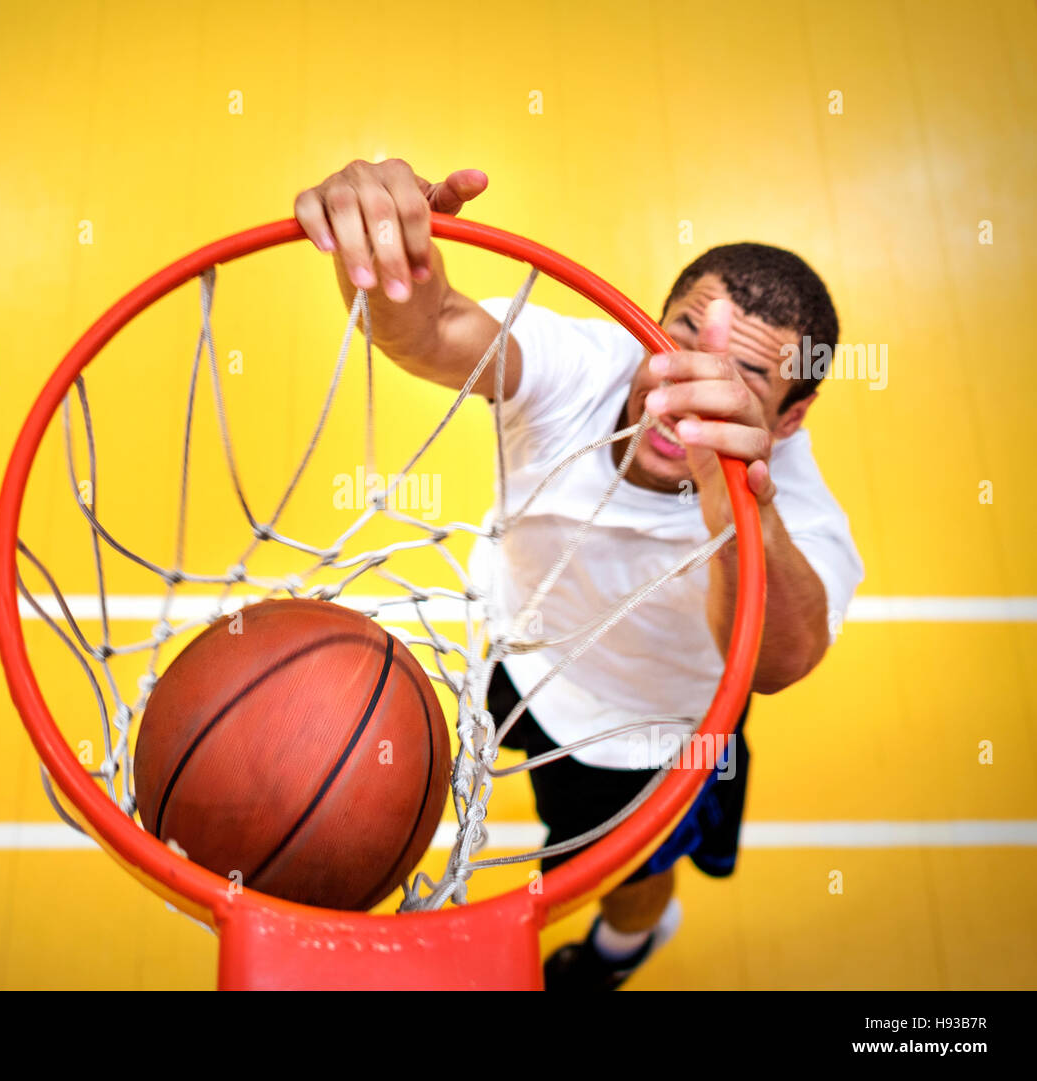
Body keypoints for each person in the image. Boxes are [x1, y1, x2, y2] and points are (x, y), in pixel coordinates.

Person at [294, 159, 863, 990]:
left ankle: (627, 945)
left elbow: (776, 660)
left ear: (794, 414)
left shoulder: (801, 519)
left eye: (743, 378)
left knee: (620, 882)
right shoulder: (582, 364)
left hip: (638, 738)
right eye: (678, 339)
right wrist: (392, 273)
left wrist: (725, 489)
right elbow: (430, 330)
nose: (683, 390)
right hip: (517, 652)